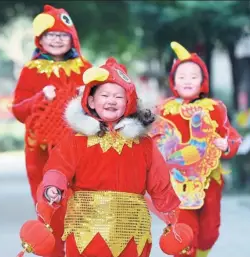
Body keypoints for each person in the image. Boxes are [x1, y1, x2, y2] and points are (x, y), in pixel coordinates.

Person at [38, 57, 181, 257]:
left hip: (132, 231)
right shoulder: (75, 140)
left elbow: (159, 180)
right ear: (90, 101)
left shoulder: (143, 143)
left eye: (118, 96)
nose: (111, 101)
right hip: (85, 231)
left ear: (129, 103)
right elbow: (58, 167)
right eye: (104, 95)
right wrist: (53, 186)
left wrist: (173, 216)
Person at [11, 4, 92, 257]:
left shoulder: (85, 70)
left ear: (72, 38)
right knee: (49, 207)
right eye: (50, 35)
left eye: (62, 34)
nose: (56, 40)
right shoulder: (30, 71)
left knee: (80, 209)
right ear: (40, 39)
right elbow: (18, 111)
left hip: (79, 152)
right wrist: (38, 99)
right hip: (40, 154)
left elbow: (104, 107)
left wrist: (86, 97)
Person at [155, 41, 242, 257]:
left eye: (193, 76)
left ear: (203, 81)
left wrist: (227, 144)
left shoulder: (215, 108)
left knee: (210, 230)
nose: (187, 81)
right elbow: (152, 138)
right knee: (184, 230)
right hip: (177, 181)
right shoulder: (164, 109)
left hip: (209, 179)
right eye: (181, 76)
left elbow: (231, 135)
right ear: (173, 80)